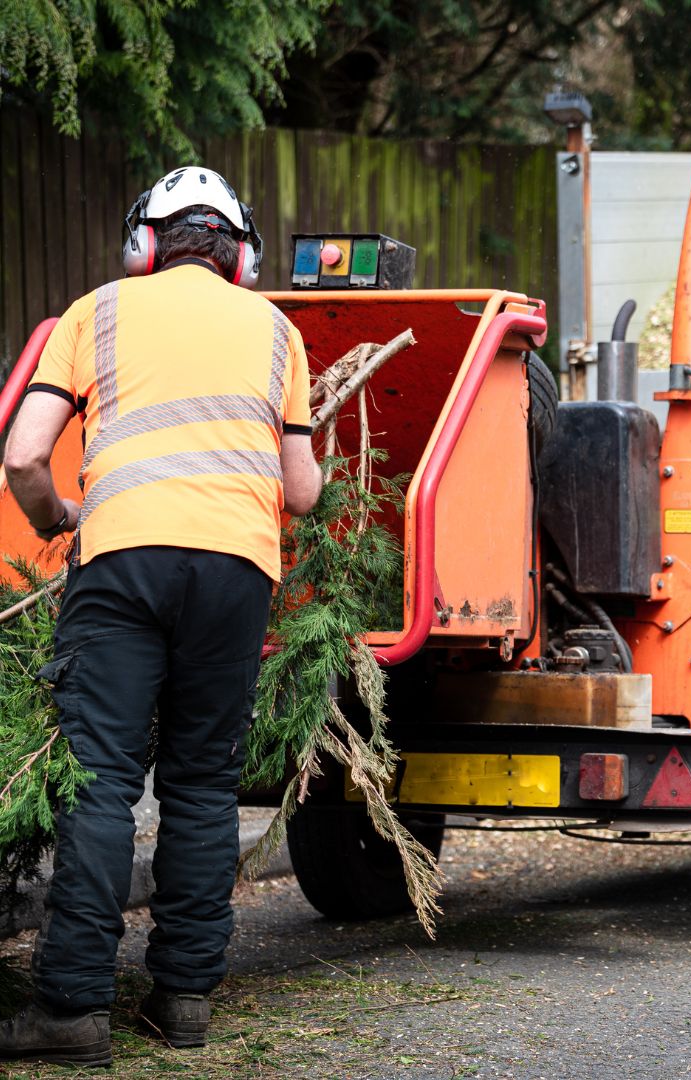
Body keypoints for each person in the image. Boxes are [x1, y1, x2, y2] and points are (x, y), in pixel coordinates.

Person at [0, 166, 322, 1068]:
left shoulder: (94, 312)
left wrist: (56, 518)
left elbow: (24, 456)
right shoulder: (277, 332)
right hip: (235, 575)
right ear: (241, 254)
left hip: (122, 563)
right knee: (200, 784)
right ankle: (182, 1004)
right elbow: (300, 495)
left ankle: (71, 1012)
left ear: (145, 243)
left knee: (102, 780)